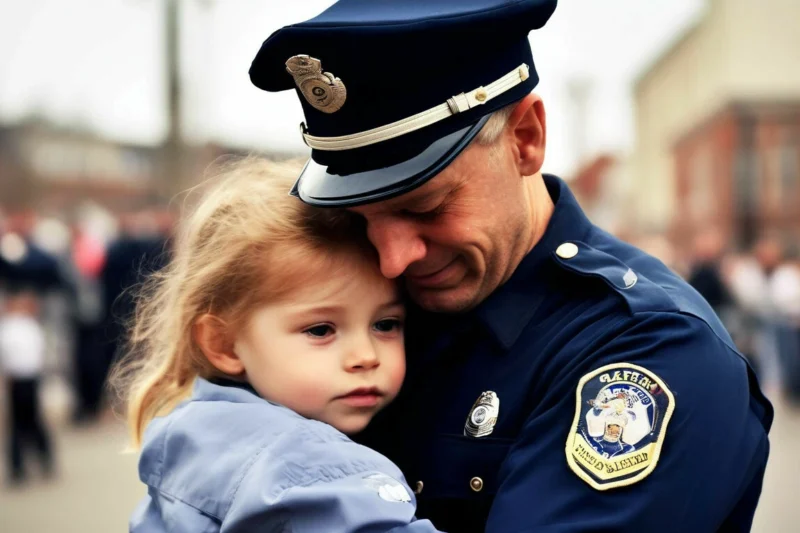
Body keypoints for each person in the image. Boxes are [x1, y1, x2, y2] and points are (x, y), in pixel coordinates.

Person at [248, 0, 773, 530]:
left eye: (424, 207)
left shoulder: (652, 350)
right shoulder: (370, 299)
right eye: (360, 221)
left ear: (526, 140)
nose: (391, 259)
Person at [114, 159, 442, 532]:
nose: (365, 357)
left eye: (386, 324)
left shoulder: (197, 436)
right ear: (224, 345)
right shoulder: (310, 467)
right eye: (320, 330)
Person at [0, 289, 53, 486]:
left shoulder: (17, 326)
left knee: (23, 424)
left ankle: (23, 465)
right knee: (28, 423)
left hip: (23, 378)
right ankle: (30, 463)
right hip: (24, 378)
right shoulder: (22, 326)